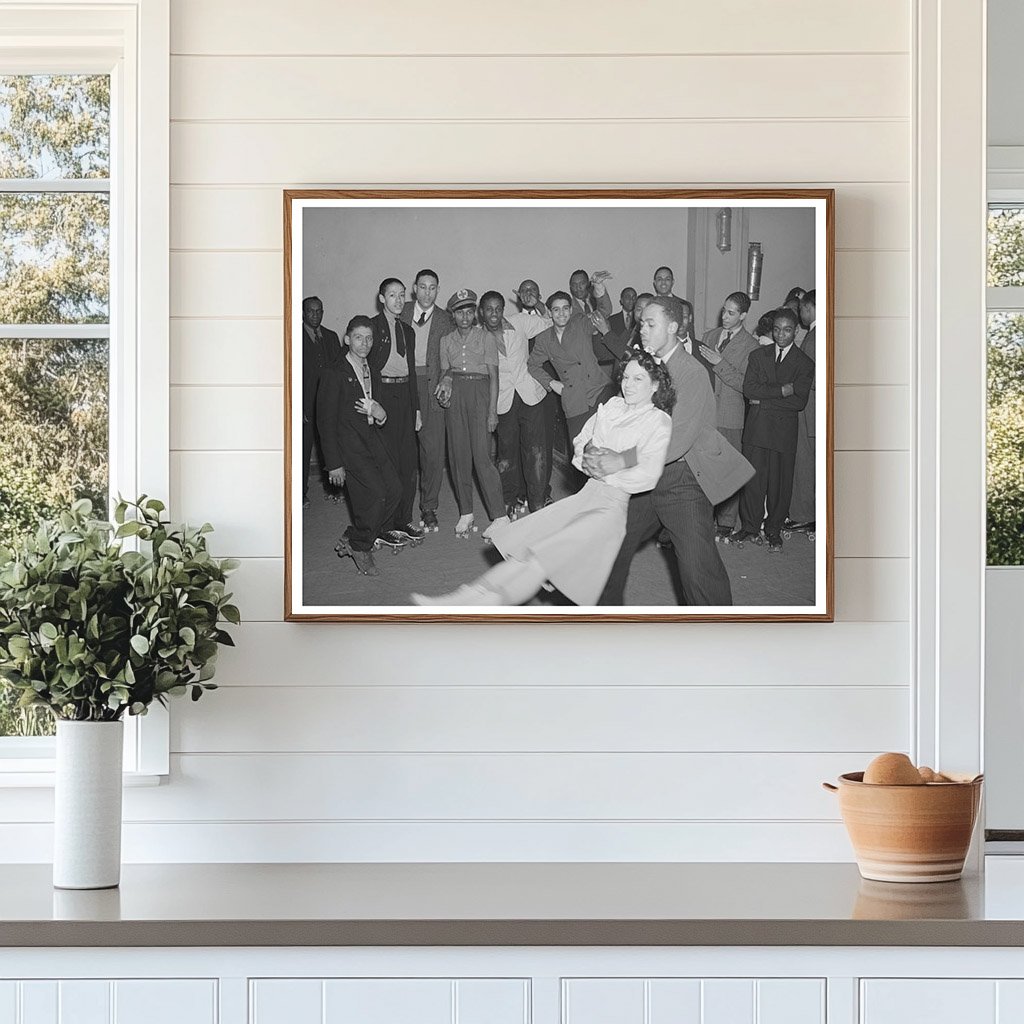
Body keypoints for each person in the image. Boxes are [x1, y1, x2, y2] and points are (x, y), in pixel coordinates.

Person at [411, 348, 674, 607]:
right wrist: (588, 456)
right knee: (525, 553)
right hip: (585, 498)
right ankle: (465, 596)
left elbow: (649, 471)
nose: (628, 385)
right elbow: (582, 441)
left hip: (609, 510)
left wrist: (616, 464)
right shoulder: (614, 406)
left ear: (655, 385)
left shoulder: (657, 421)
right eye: (626, 377)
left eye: (638, 379)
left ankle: (479, 606)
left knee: (540, 561)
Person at [596, 297, 753, 607]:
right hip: (645, 479)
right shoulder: (645, 368)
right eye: (641, 323)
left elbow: (674, 441)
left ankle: (720, 629)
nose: (642, 329)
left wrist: (621, 460)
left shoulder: (691, 372)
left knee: (699, 571)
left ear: (673, 327)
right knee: (610, 548)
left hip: (682, 481)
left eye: (650, 324)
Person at [317, 316, 402, 577]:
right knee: (376, 494)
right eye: (358, 338)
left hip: (373, 439)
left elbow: (378, 410)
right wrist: (334, 464)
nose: (364, 343)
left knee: (395, 490)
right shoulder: (334, 372)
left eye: (368, 338)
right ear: (347, 339)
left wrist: (381, 414)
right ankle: (360, 545)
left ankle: (356, 534)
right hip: (349, 446)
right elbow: (325, 421)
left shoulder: (372, 369)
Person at [733, 306, 815, 552]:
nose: (781, 335)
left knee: (780, 485)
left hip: (783, 433)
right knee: (753, 481)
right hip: (757, 429)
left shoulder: (804, 363)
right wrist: (781, 390)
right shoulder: (758, 356)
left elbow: (799, 402)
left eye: (787, 330)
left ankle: (773, 530)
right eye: (777, 330)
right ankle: (749, 527)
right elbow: (749, 390)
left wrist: (763, 399)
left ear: (796, 331)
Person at [435, 289, 510, 538]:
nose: (465, 317)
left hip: (480, 395)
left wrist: (492, 412)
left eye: (469, 312)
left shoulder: (486, 337)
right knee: (459, 457)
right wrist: (446, 381)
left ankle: (500, 515)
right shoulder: (446, 341)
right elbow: (445, 371)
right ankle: (466, 512)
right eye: (460, 313)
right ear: (453, 315)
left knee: (482, 457)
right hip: (456, 397)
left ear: (475, 314)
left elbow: (494, 377)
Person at [480, 290, 554, 516]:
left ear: (504, 310)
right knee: (507, 453)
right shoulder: (478, 337)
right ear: (481, 312)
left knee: (536, 451)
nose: (494, 313)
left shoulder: (520, 322)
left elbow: (549, 322)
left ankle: (537, 501)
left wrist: (538, 303)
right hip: (503, 401)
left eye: (498, 309)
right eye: (489, 309)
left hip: (530, 395)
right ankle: (509, 500)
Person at [698, 291, 760, 538]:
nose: (724, 316)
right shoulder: (709, 336)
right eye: (724, 310)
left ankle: (726, 522)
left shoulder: (751, 346)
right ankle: (702, 518)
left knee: (728, 470)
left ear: (743, 316)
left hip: (730, 415)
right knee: (704, 469)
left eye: (731, 313)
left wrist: (720, 363)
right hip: (706, 413)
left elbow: (747, 385)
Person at [370, 277, 424, 544]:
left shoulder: (408, 331)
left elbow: (411, 372)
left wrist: (416, 409)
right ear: (382, 298)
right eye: (393, 295)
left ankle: (404, 520)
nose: (399, 300)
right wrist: (371, 405)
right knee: (387, 464)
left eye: (402, 295)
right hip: (383, 397)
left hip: (405, 396)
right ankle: (385, 524)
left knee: (408, 463)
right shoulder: (371, 327)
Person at [400, 269, 453, 532]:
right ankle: (398, 506)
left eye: (432, 288)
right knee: (401, 448)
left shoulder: (446, 319)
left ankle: (429, 506)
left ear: (438, 290)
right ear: (414, 288)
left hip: (432, 388)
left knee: (432, 451)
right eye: (422, 287)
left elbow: (453, 355)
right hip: (402, 385)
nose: (427, 293)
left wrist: (448, 377)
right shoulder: (401, 311)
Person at [528, 290, 614, 444]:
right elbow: (532, 365)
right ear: (549, 313)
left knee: (607, 444)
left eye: (565, 308)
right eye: (556, 309)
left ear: (571, 310)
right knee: (580, 447)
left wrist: (599, 288)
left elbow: (604, 310)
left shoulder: (581, 324)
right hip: (574, 399)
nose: (561, 313)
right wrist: (551, 383)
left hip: (599, 391)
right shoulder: (544, 339)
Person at [300, 296, 343, 508]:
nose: (315, 315)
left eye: (319, 311)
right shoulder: (294, 337)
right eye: (311, 311)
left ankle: (333, 489)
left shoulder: (331, 337)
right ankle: (300, 493)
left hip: (329, 404)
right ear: (303, 313)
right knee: (303, 450)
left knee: (330, 446)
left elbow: (339, 370)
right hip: (306, 405)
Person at [787, 289, 817, 530]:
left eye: (802, 310)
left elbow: (813, 377)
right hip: (813, 408)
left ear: (809, 308)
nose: (801, 315)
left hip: (809, 410)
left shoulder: (815, 337)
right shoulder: (815, 334)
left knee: (805, 463)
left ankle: (804, 515)